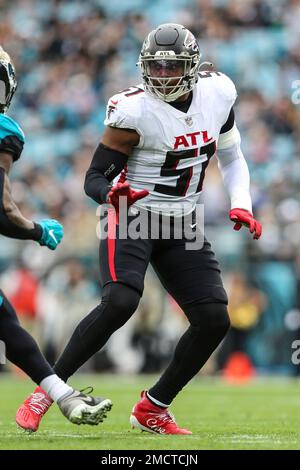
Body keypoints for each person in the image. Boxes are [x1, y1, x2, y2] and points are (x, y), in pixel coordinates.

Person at [17, 23, 262, 435]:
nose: (163, 74)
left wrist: (242, 203)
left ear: (192, 66)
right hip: (133, 215)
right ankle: (47, 391)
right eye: (156, 66)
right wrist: (113, 194)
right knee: (120, 302)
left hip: (183, 219)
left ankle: (154, 407)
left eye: (172, 66)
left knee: (214, 318)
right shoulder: (133, 109)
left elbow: (232, 154)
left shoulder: (218, 92)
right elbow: (93, 178)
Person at [0, 48, 112, 432]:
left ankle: (61, 395)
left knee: (7, 323)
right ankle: (63, 396)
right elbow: (2, 213)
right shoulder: (5, 132)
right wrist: (36, 230)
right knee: (7, 326)